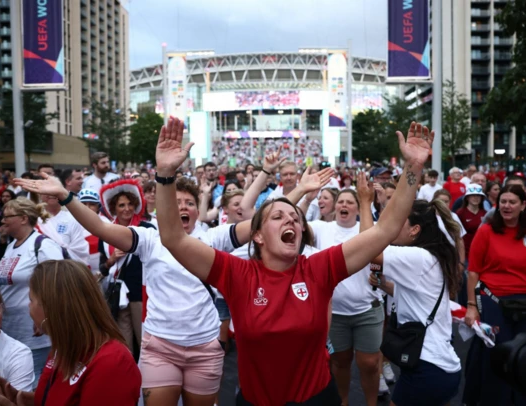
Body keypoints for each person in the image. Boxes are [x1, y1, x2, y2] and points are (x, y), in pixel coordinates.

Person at [153, 118, 433, 405]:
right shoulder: (235, 273)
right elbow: (174, 239)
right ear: (258, 236)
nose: (290, 219)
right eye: (277, 216)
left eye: (294, 218)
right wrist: (164, 173)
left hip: (316, 399)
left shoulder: (319, 268)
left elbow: (385, 230)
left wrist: (413, 168)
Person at [14, 174, 252, 406]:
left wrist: (281, 207)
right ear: (162, 210)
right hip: (161, 347)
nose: (183, 207)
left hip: (205, 346)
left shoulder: (213, 237)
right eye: (175, 202)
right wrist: (65, 196)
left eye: (189, 203)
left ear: (197, 211)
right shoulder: (148, 239)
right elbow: (99, 227)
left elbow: (258, 224)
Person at [0, 260, 141, 405]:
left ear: (52, 308)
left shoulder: (111, 362)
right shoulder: (63, 349)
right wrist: (23, 399)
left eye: (31, 300)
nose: (28, 306)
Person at [463, 184, 526, 405]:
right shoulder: (486, 230)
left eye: (512, 202)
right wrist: (472, 305)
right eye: (503, 201)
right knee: (497, 357)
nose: (506, 206)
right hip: (493, 303)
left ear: (523, 205)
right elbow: (473, 271)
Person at [368, 198, 463, 406]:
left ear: (414, 230)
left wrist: (364, 203)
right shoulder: (431, 256)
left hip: (427, 368)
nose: (393, 228)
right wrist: (385, 285)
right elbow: (419, 296)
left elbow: (369, 250)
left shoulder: (419, 257)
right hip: (439, 367)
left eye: (399, 222)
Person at [309, 187, 384, 406]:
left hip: (366, 309)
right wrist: (305, 195)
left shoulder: (368, 228)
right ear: (334, 206)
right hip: (335, 314)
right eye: (340, 201)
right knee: (340, 362)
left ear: (358, 207)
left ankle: (371, 403)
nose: (344, 205)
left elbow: (378, 259)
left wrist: (380, 277)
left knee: (369, 363)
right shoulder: (321, 229)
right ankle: (343, 401)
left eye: (350, 202)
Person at [0, 198, 65, 385]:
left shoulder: (43, 244)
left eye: (7, 216)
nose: (2, 220)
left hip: (35, 335)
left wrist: (45, 317)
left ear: (24, 218)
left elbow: (57, 282)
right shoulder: (10, 246)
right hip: (9, 331)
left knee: (32, 383)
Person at [98, 179, 154, 353]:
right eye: (121, 205)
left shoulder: (147, 228)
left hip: (141, 294)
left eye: (130, 204)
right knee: (125, 344)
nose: (127, 209)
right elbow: (102, 269)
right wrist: (111, 259)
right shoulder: (106, 232)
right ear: (114, 208)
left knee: (145, 342)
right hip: (118, 296)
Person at [37, 193, 90, 266]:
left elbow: (79, 249)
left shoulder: (73, 219)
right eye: (47, 192)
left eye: (54, 191)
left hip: (68, 270)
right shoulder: (35, 220)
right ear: (40, 195)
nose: (52, 194)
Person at [455, 184, 487, 260]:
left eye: (478, 195)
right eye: (472, 195)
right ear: (467, 198)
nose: (475, 198)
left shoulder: (485, 214)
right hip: (465, 253)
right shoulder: (460, 213)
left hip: (481, 251)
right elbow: (457, 234)